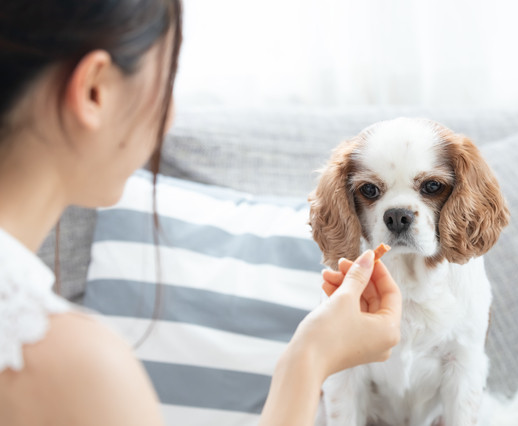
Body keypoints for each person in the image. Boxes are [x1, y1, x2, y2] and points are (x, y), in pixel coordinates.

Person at [0, 1, 403, 425]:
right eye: (168, 77)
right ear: (94, 90)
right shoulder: (69, 367)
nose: (170, 116)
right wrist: (309, 359)